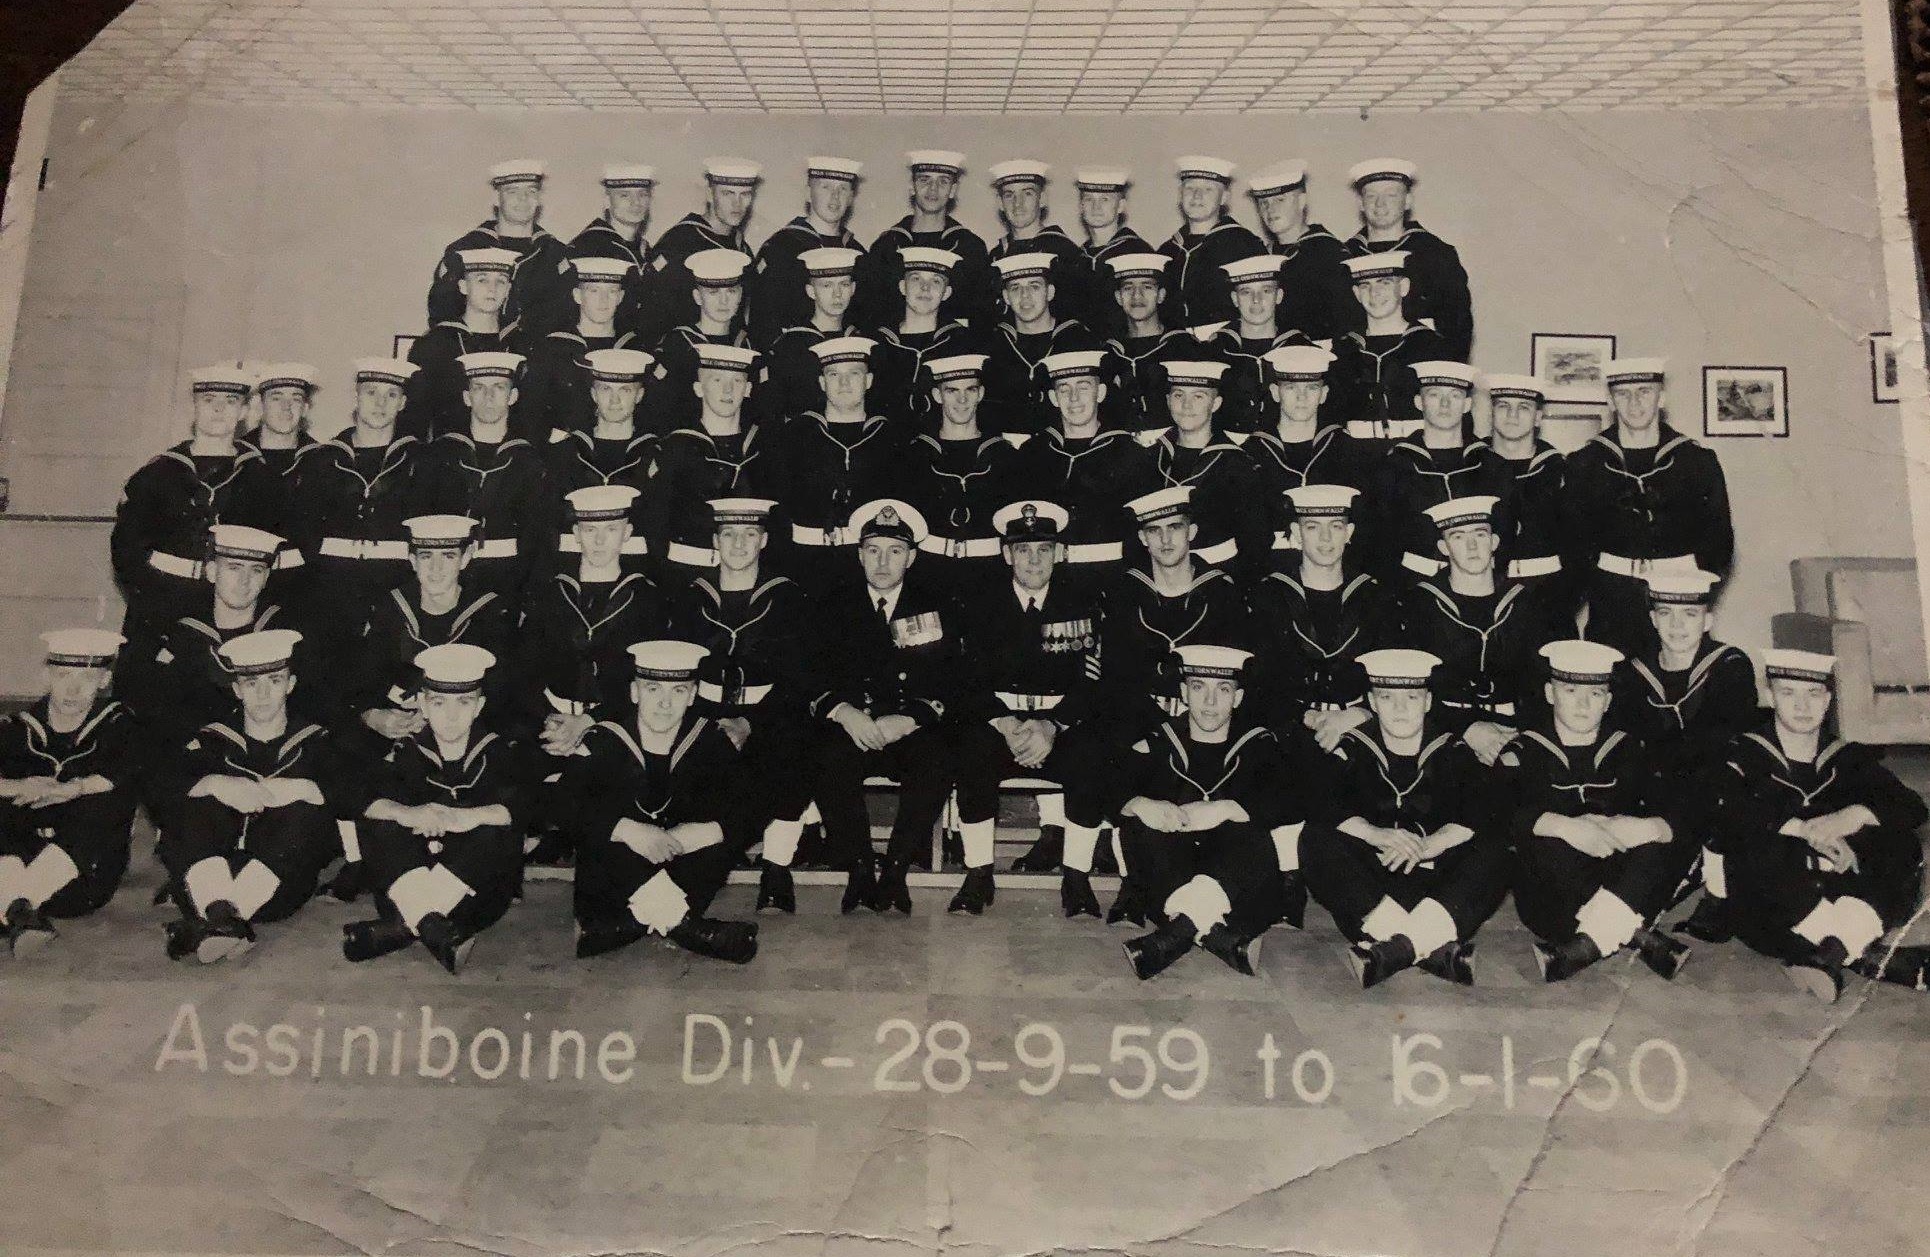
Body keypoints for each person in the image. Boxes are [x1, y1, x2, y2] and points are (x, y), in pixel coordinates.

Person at [1702, 649, 1930, 1000]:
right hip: (1772, 906)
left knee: (1901, 843)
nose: (1802, 706)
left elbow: (1913, 807)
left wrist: (1849, 818)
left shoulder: (1846, 757)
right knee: (1758, 842)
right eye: (1788, 693)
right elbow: (1722, 810)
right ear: (1770, 696)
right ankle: (1856, 951)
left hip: (1837, 891)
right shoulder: (1742, 753)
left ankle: (1830, 955)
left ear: (1827, 700)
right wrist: (1804, 830)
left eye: (1813, 694)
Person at [1301, 648, 1508, 988]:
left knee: (1496, 847)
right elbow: (1323, 803)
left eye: (1411, 698)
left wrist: (1433, 843)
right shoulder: (1353, 747)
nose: (1399, 709)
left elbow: (1480, 809)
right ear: (1372, 702)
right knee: (1316, 838)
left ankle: (1395, 950)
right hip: (1375, 890)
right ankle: (1429, 946)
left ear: (1428, 702)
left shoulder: (1452, 749)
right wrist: (1375, 834)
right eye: (1387, 698)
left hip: (1434, 886)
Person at [804, 499, 964, 915]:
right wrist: (843, 712)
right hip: (852, 725)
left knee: (936, 759)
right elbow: (809, 673)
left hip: (907, 726)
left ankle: (895, 871)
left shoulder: (936, 606)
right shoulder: (831, 606)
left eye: (894, 551)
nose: (882, 562)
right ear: (859, 555)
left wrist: (911, 718)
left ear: (911, 558)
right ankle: (858, 871)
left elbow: (952, 678)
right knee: (826, 758)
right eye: (873, 550)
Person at [952, 501, 1112, 917]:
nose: (1034, 560)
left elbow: (1091, 681)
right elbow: (966, 679)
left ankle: (1076, 878)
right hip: (1000, 723)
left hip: (1058, 725)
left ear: (1058, 553)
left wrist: (1052, 725)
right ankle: (978, 873)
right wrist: (1006, 723)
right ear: (1007, 554)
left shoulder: (1082, 602)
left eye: (1044, 549)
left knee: (1092, 755)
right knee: (971, 750)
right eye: (1023, 550)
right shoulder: (979, 604)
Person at [1504, 640, 1694, 982]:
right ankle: (1636, 934)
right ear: (1549, 693)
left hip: (1619, 880)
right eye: (1570, 691)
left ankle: (1584, 947)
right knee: (1543, 839)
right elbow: (1497, 812)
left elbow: (1677, 807)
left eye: (1594, 694)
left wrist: (1648, 827)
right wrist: (1564, 826)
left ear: (1607, 701)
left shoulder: (1628, 748)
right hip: (1554, 903)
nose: (1582, 704)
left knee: (1657, 836)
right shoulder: (1523, 750)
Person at [155, 629, 348, 963]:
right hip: (206, 883)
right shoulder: (213, 740)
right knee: (201, 794)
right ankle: (224, 919)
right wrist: (215, 783)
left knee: (306, 805)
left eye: (274, 681)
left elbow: (351, 795)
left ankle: (214, 922)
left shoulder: (316, 743)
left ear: (290, 685)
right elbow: (163, 788)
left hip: (276, 890)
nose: (262, 694)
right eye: (251, 683)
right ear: (236, 689)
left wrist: (305, 789)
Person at [564, 640, 760, 964]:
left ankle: (623, 927)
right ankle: (688, 928)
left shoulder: (709, 740)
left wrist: (711, 830)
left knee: (715, 834)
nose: (665, 704)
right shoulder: (605, 740)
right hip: (619, 874)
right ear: (634, 692)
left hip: (679, 866)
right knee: (600, 827)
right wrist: (627, 830)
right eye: (653, 689)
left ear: (693, 695)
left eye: (678, 691)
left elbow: (749, 804)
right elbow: (562, 802)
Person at [665, 499, 817, 914]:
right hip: (703, 712)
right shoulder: (692, 596)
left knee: (791, 754)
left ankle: (776, 869)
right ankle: (694, 864)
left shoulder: (787, 596)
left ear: (763, 540)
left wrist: (750, 722)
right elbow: (680, 668)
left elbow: (797, 679)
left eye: (749, 535)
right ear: (715, 541)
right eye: (728, 534)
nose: (738, 544)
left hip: (768, 715)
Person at [345, 643, 533, 974]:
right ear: (422, 705)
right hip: (409, 880)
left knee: (495, 827)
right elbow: (357, 796)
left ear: (479, 706)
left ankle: (405, 926)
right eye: (438, 702)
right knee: (382, 817)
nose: (451, 715)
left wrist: (465, 817)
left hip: (471, 898)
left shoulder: (499, 752)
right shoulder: (406, 751)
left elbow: (528, 804)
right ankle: (432, 927)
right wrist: (409, 813)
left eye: (464, 702)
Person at [1115, 645, 1297, 980]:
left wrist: (1226, 808)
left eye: (1223, 690)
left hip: (1233, 882)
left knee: (1252, 828)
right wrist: (1139, 803)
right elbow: (1107, 789)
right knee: (1140, 823)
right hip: (1174, 876)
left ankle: (1178, 933)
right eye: (1199, 688)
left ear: (1238, 698)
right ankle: (1218, 938)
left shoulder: (1258, 746)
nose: (1210, 702)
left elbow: (1290, 799)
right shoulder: (1160, 741)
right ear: (1184, 693)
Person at [1618, 571, 1764, 944]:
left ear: (1708, 620)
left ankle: (1717, 889)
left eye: (1690, 614)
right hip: (1659, 785)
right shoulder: (1634, 671)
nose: (1677, 626)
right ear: (1652, 619)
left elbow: (1719, 737)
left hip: (1715, 783)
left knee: (1720, 782)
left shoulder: (1730, 664)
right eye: (1665, 614)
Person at [1563, 358, 1734, 656]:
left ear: (1661, 397)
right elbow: (1575, 546)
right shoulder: (1586, 463)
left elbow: (1719, 542)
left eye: (1644, 391)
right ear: (1610, 401)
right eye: (1623, 393)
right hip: (1612, 599)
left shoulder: (1696, 461)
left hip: (1677, 596)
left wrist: (1690, 586)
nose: (1635, 403)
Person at [110, 365, 280, 663]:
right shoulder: (156, 475)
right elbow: (127, 554)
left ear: (244, 411)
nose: (218, 409)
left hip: (235, 611)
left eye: (230, 401)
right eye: (208, 400)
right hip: (161, 601)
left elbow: (275, 558)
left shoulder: (262, 478)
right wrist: (156, 608)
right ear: (194, 407)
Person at [516, 485, 667, 787]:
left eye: (611, 529)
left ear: (627, 533)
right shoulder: (550, 594)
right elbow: (525, 671)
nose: (599, 541)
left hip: (617, 727)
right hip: (551, 727)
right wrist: (548, 720)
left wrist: (588, 722)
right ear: (576, 533)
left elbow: (647, 683)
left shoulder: (647, 600)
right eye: (589, 529)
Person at [0, 631, 142, 952]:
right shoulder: (18, 727)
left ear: (104, 680)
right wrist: (18, 786)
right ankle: (20, 911)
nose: (73, 690)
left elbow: (124, 772)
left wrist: (74, 789)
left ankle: (15, 906)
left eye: (87, 678)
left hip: (79, 878)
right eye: (63, 675)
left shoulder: (120, 724)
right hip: (16, 862)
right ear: (47, 674)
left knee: (104, 800)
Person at [1393, 496, 1553, 763]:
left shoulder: (1524, 603)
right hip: (1443, 734)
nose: (1472, 546)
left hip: (1512, 735)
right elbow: (1411, 688)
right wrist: (1467, 727)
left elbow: (1539, 685)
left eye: (1480, 534)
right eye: (1458, 537)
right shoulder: (1420, 605)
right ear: (1443, 547)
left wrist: (1519, 740)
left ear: (1494, 542)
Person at [285, 359, 422, 660]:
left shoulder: (420, 461)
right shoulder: (322, 460)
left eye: (391, 395)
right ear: (356, 396)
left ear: (402, 403)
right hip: (331, 590)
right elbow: (304, 533)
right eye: (371, 392)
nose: (380, 403)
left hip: (395, 589)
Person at [124, 524, 306, 750]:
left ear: (266, 577)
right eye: (234, 568)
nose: (244, 581)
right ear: (211, 571)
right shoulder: (183, 639)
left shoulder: (285, 637)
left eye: (256, 570)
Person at [1099, 487, 1249, 756]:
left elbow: (1236, 681)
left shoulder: (1222, 595)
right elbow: (1118, 681)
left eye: (1175, 527)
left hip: (1209, 729)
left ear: (1191, 532)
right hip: (1140, 730)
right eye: (1154, 530)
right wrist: (1158, 735)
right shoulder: (1124, 595)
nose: (1165, 539)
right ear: (1142, 538)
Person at [352, 515, 515, 752]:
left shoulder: (487, 612)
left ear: (465, 558)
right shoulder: (392, 608)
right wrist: (373, 715)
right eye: (426, 556)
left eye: (448, 556)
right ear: (412, 561)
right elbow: (365, 680)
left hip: (465, 732)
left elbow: (502, 694)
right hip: (398, 726)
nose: (436, 569)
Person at [410, 351, 555, 601]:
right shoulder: (438, 456)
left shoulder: (530, 461)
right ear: (467, 397)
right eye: (479, 388)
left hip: (509, 578)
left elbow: (538, 540)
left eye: (498, 387)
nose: (489, 397)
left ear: (513, 396)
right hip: (447, 580)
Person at [769, 336, 906, 595]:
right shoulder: (795, 435)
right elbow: (779, 509)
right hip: (804, 561)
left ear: (868, 381)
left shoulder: (890, 438)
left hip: (868, 566)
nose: (844, 383)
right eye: (834, 375)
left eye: (854, 374)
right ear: (822, 383)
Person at [1009, 349, 1150, 590]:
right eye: (1064, 389)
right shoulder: (1033, 454)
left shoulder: (1129, 454)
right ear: (1053, 397)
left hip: (1112, 579)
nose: (1074, 398)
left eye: (1083, 387)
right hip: (1050, 583)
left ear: (1101, 393)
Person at [1373, 360, 1512, 582]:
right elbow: (1380, 541)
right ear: (1419, 402)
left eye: (1455, 395)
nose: (1445, 404)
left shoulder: (1493, 466)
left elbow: (1505, 537)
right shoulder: (1395, 466)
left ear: (1467, 404)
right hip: (1412, 584)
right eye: (1435, 395)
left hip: (1478, 584)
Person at [897, 353, 1022, 597]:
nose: (962, 399)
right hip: (930, 573)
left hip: (991, 575)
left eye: (970, 390)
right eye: (952, 390)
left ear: (981, 393)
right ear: (937, 395)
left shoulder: (1005, 456)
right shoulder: (915, 456)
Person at [1132, 360, 1271, 579]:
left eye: (1198, 397)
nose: (1186, 406)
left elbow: (1256, 542)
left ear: (1216, 403)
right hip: (1161, 579)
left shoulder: (1236, 464)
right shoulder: (1148, 460)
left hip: (1221, 577)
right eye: (1178, 395)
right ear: (1168, 400)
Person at [652, 342, 775, 584]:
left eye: (737, 381)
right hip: (684, 574)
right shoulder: (676, 448)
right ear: (699, 388)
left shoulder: (763, 449)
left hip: (748, 575)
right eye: (717, 380)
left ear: (748, 389)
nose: (728, 390)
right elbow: (656, 522)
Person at [1246, 345, 1376, 567]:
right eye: (1291, 388)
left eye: (1311, 388)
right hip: (1271, 573)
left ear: (1323, 394)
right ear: (1275, 393)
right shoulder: (1251, 454)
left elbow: (1364, 530)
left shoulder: (1349, 451)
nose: (1302, 397)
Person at [1343, 159, 1473, 359]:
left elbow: (1457, 329)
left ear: (1408, 201)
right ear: (1361, 203)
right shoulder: (1344, 256)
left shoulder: (1436, 254)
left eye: (1391, 195)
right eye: (1371, 196)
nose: (1380, 204)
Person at [425, 159, 569, 338]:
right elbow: (442, 313)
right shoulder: (464, 250)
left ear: (539, 198)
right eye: (512, 191)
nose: (523, 199)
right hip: (477, 350)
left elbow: (567, 318)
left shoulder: (556, 254)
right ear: (496, 198)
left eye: (531, 191)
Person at [1326, 252, 1449, 453]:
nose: (1374, 293)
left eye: (1384, 283)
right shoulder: (1344, 349)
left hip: (1415, 455)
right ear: (1356, 293)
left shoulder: (1431, 346)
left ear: (1404, 287)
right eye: (1365, 286)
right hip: (1357, 456)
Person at [859, 151, 994, 331]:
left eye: (943, 181)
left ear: (953, 190)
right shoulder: (886, 246)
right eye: (924, 180)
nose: (933, 189)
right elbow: (871, 316)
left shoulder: (970, 248)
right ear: (912, 186)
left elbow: (982, 319)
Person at [635, 158, 760, 348]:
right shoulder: (680, 242)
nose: (737, 204)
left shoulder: (741, 248)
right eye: (727, 194)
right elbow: (651, 319)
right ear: (710, 194)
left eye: (745, 194)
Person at [516, 257, 642, 441]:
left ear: (620, 297)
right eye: (593, 290)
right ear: (577, 295)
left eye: (611, 291)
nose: (603, 300)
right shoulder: (552, 349)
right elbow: (530, 412)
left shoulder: (634, 348)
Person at [542, 349, 659, 546]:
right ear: (593, 394)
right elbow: (549, 525)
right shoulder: (566, 451)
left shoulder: (654, 453)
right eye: (606, 389)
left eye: (625, 390)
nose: (615, 400)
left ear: (639, 395)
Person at [749, 157, 866, 352]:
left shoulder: (858, 254)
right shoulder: (781, 247)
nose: (835, 197)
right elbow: (763, 324)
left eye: (843, 189)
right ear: (808, 193)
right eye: (826, 187)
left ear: (851, 197)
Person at [408, 247, 524, 441]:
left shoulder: (520, 344)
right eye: (482, 280)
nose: (492, 289)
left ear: (508, 290)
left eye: (501, 281)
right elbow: (415, 418)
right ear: (463, 286)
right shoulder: (434, 345)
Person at [1479, 373, 1573, 611]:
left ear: (1538, 417)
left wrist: (1563, 598)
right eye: (1503, 406)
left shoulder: (1560, 470)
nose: (1512, 415)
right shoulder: (1471, 467)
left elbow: (1578, 548)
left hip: (1547, 592)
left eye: (1523, 407)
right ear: (1491, 413)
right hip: (1486, 589)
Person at [983, 253, 1104, 437]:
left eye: (1034, 286)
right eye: (1015, 288)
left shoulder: (1079, 340)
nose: (1025, 296)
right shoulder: (994, 345)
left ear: (1050, 292)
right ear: (1006, 296)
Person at [867, 247, 982, 429]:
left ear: (946, 293)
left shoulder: (962, 343)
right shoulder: (876, 343)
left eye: (936, 281)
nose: (925, 287)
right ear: (902, 287)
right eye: (916, 278)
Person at [648, 249, 757, 436]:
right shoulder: (678, 344)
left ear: (740, 295)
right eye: (713, 292)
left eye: (731, 291)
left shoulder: (747, 344)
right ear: (697, 297)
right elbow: (660, 409)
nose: (723, 301)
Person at [1248, 160, 1354, 342]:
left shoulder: (1329, 254)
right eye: (1264, 202)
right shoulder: (1261, 256)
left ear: (1301, 201)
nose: (1270, 209)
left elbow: (1346, 324)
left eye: (1280, 200)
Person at [1157, 156, 1267, 329]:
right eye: (1190, 187)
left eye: (1208, 189)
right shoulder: (1166, 252)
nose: (1197, 195)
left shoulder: (1244, 246)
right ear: (1180, 194)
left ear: (1224, 198)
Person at [987, 160, 1095, 329]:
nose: (1017, 203)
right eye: (1009, 195)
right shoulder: (995, 256)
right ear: (1000, 203)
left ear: (1042, 199)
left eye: (1027, 193)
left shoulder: (1065, 253)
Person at [764, 246, 864, 424]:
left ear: (853, 288)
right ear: (811, 291)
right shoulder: (791, 346)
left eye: (844, 284)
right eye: (827, 285)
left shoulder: (860, 341)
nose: (837, 294)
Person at [1214, 253, 1313, 435]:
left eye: (1266, 290)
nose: (1256, 299)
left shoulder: (1302, 348)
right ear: (1235, 299)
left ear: (1279, 296)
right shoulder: (1216, 349)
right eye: (1246, 292)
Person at [564, 163, 655, 340]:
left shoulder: (646, 250)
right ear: (607, 201)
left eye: (643, 194)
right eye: (624, 195)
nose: (636, 203)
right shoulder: (587, 247)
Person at [1100, 253, 1187, 433]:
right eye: (1128, 288)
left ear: (1161, 295)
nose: (1136, 295)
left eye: (1147, 287)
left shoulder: (1183, 347)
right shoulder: (1108, 353)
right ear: (1118, 297)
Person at [1072, 167, 1152, 337]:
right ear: (1081, 206)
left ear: (1121, 206)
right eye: (1089, 199)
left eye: (1105, 199)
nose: (1096, 207)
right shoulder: (1076, 257)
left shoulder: (1138, 252)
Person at [250, 362, 322, 484]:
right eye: (276, 398)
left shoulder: (321, 459)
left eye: (296, 399)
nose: (286, 406)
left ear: (305, 409)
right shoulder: (238, 455)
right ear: (260, 406)